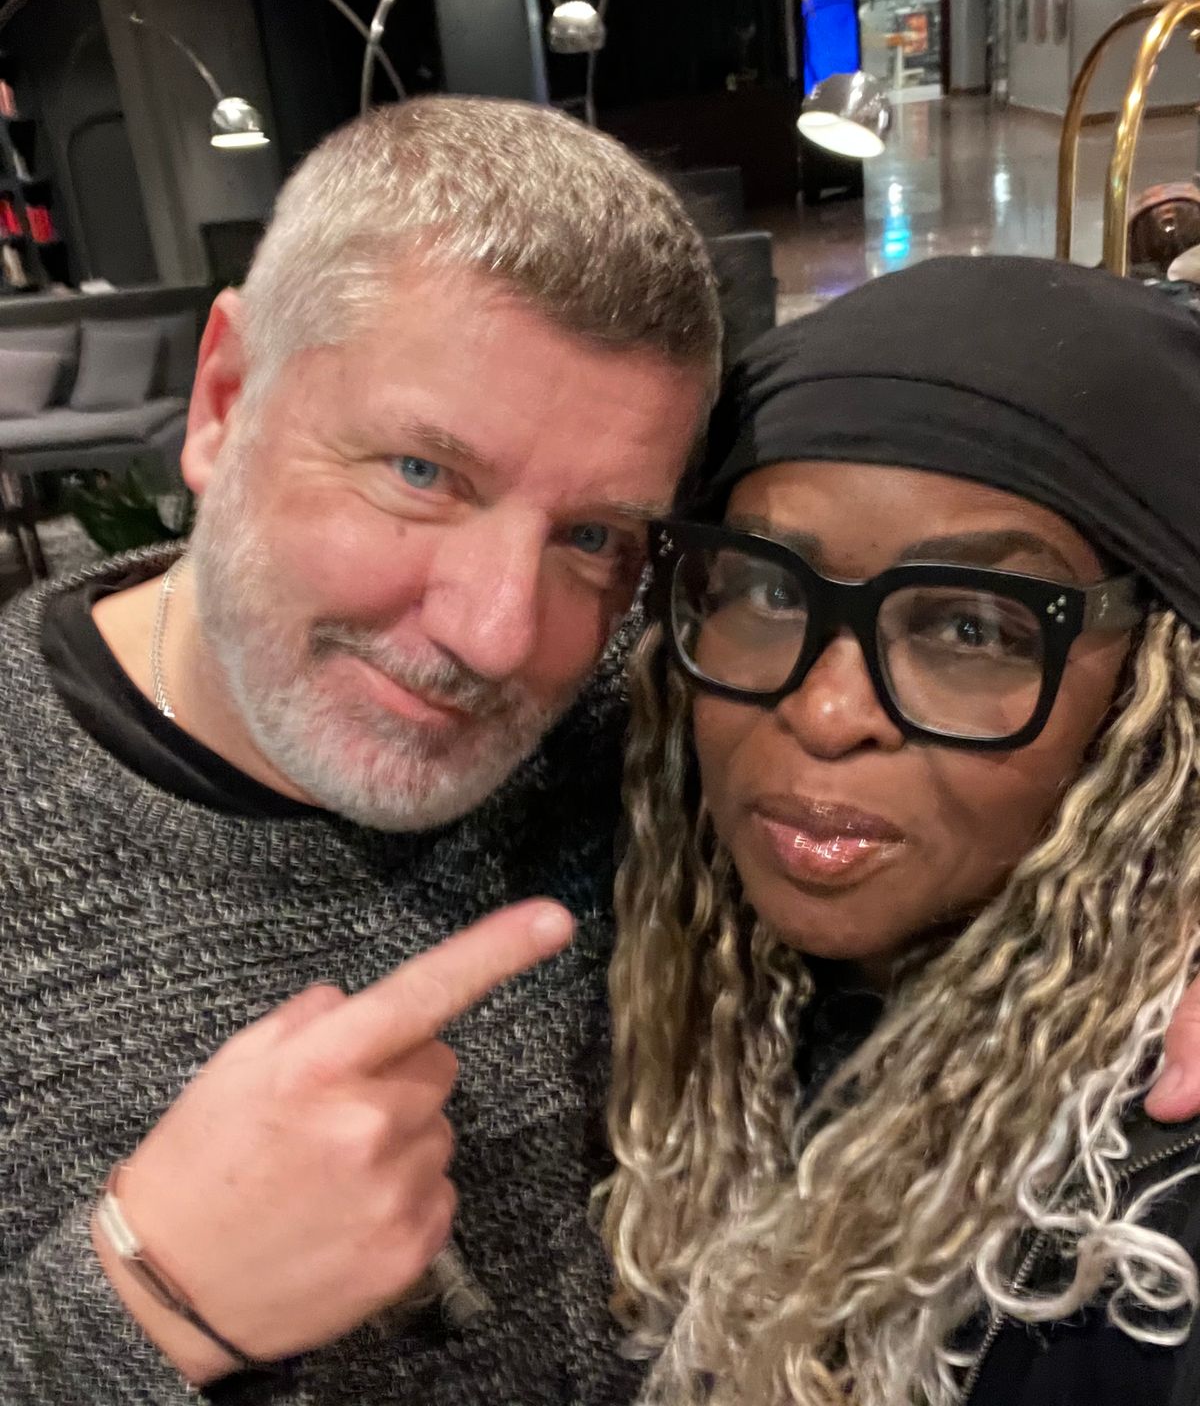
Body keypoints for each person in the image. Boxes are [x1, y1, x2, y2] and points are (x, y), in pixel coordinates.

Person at [0, 95, 720, 1403]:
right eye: (421, 473)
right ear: (224, 402)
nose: (497, 635)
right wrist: (142, 1304)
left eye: (591, 537)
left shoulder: (654, 717)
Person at [600, 256, 1200, 1406]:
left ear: (1154, 690)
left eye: (974, 626)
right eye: (769, 589)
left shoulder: (1151, 1225)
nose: (827, 714)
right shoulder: (625, 910)